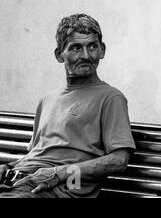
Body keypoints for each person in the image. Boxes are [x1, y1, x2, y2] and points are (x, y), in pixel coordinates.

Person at [0, 14, 136, 198]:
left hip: (57, 190)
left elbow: (119, 160)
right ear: (59, 55)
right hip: (18, 183)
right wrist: (8, 167)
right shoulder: (47, 99)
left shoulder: (110, 98)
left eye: (93, 46)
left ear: (102, 50)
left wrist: (59, 174)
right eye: (76, 48)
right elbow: (39, 153)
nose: (86, 56)